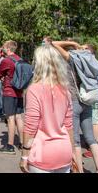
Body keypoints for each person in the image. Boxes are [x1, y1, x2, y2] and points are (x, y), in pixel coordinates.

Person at [20, 45, 75, 173]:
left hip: (42, 153)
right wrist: (72, 151)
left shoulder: (34, 89)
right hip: (64, 151)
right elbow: (69, 125)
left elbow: (31, 125)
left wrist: (24, 155)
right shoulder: (65, 90)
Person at [52, 40, 98, 172]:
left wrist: (73, 43)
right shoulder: (93, 62)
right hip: (87, 100)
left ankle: (79, 170)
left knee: (75, 140)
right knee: (91, 138)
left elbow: (53, 43)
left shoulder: (74, 59)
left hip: (74, 100)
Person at [0, 41, 24, 154]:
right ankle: (22, 143)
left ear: (8, 48)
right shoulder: (20, 59)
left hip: (9, 91)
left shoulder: (6, 60)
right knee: (19, 117)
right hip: (19, 92)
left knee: (10, 118)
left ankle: (10, 145)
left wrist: (2, 77)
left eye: (3, 47)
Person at [83, 44, 98, 159]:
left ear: (91, 51)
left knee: (94, 121)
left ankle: (95, 146)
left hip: (94, 94)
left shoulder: (92, 63)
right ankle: (97, 143)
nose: (83, 50)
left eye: (85, 49)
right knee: (97, 117)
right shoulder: (95, 62)